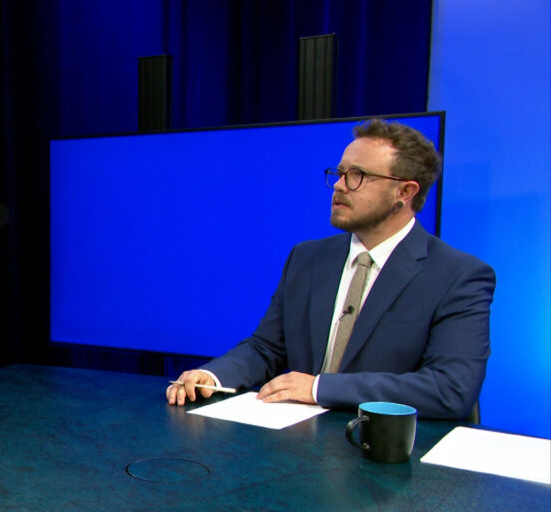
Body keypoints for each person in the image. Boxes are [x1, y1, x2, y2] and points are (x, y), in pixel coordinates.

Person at [166, 119, 495, 420]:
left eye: (358, 176)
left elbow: (449, 389)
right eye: (339, 173)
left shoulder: (458, 275)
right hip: (297, 447)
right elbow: (267, 348)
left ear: (405, 192)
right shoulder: (307, 258)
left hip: (388, 456)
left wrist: (318, 389)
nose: (339, 185)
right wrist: (213, 376)